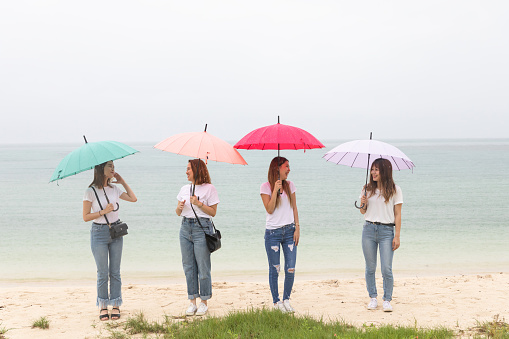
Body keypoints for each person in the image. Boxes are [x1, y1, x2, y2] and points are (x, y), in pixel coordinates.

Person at [83, 161, 137, 321]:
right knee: (102, 273)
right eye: (110, 166)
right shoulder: (90, 191)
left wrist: (123, 182)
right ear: (101, 169)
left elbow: (133, 199)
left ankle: (116, 304)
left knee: (115, 272)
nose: (113, 168)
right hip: (98, 233)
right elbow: (85, 217)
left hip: (116, 232)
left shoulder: (115, 189)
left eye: (114, 166)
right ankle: (103, 305)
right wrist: (103, 211)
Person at [176, 159, 219, 316]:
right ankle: (192, 301)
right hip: (185, 227)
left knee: (203, 266)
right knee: (188, 266)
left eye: (188, 169)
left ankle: (204, 301)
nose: (186, 171)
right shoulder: (184, 188)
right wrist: (179, 208)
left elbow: (213, 212)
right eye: (186, 169)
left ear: (197, 170)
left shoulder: (210, 189)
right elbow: (178, 212)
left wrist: (199, 204)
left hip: (202, 228)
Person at [359, 158, 403, 312]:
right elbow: (363, 212)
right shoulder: (367, 188)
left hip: (386, 232)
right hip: (369, 230)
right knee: (370, 267)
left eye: (376, 169)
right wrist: (363, 202)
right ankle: (372, 297)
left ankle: (387, 299)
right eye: (372, 169)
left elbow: (397, 214)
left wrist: (397, 236)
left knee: (386, 268)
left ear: (384, 171)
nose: (373, 172)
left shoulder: (395, 190)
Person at [260, 156, 300, 313]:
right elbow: (269, 209)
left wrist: (297, 228)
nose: (289, 169)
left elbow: (294, 208)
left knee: (290, 268)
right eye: (286, 166)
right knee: (274, 269)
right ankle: (276, 302)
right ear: (277, 168)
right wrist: (275, 191)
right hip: (273, 233)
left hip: (290, 231)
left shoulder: (290, 185)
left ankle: (286, 299)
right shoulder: (265, 187)